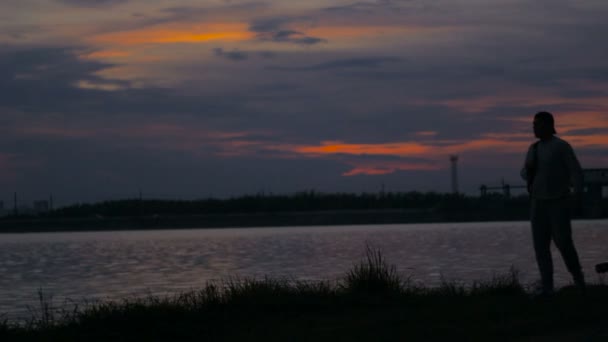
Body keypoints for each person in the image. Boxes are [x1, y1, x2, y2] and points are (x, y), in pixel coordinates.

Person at [521, 111, 586, 296]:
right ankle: (547, 287)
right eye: (534, 124)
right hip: (537, 203)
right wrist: (528, 170)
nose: (535, 127)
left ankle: (578, 280)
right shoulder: (533, 149)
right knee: (540, 246)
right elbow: (525, 173)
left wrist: (577, 194)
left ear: (550, 126)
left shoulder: (561, 147)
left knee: (564, 242)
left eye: (539, 124)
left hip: (558, 201)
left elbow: (575, 171)